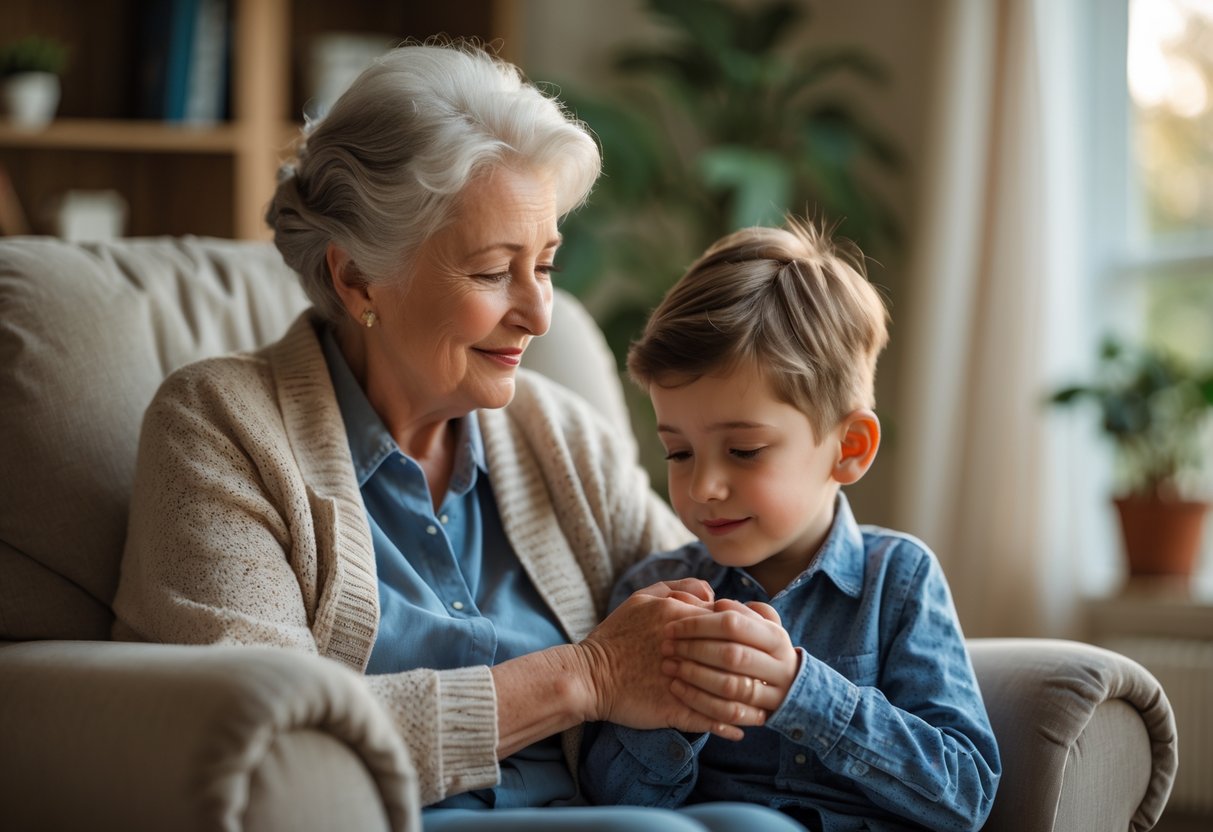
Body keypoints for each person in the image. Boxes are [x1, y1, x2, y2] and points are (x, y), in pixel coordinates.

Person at [111, 40, 809, 832]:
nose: (540, 313)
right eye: (490, 272)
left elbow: (705, 601)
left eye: (543, 265)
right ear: (356, 278)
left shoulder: (558, 433)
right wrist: (586, 676)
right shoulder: (220, 425)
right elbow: (272, 737)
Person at [579, 219, 1002, 831]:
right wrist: (675, 711)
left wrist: (800, 692)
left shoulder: (899, 580)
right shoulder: (656, 597)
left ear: (849, 448)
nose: (702, 488)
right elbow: (605, 804)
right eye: (678, 452)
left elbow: (965, 794)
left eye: (744, 451)